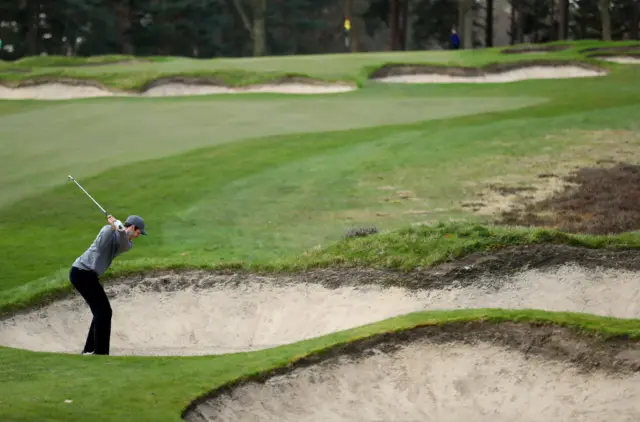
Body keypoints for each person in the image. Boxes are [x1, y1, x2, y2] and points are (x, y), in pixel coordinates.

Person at [69, 214, 147, 355]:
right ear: (133, 227)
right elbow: (100, 246)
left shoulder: (127, 243)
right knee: (103, 311)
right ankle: (99, 352)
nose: (138, 235)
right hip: (81, 272)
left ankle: (90, 350)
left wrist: (121, 230)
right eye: (138, 232)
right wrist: (111, 228)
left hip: (88, 275)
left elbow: (123, 244)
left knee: (102, 311)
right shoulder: (107, 230)